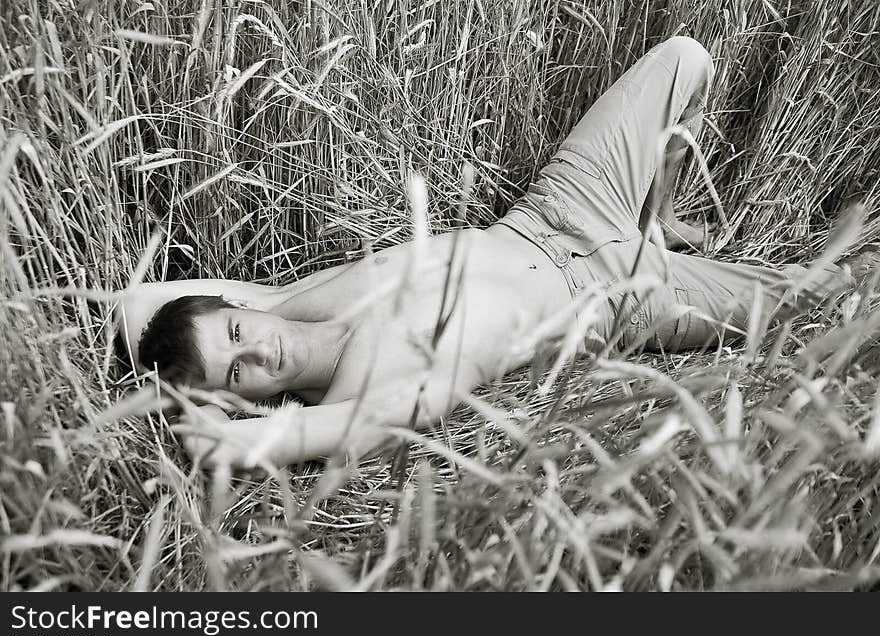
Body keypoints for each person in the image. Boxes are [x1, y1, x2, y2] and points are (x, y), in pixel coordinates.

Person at [118, 36, 851, 469]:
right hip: (616, 295)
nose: (258, 356)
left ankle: (660, 213)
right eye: (239, 376)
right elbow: (355, 426)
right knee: (824, 297)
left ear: (237, 306)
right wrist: (262, 440)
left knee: (686, 57)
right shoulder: (350, 402)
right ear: (244, 403)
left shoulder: (282, 299)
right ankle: (661, 247)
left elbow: (136, 305)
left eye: (238, 336)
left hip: (557, 210)